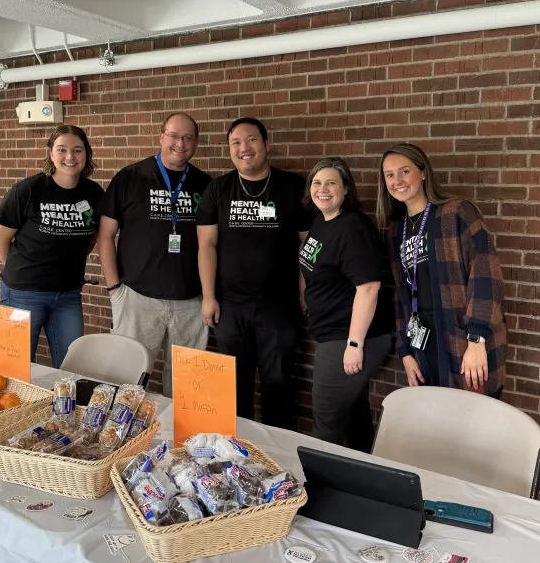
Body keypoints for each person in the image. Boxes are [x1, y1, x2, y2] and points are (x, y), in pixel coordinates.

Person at [197, 117, 312, 430]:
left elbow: (308, 245)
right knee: (234, 385)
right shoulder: (217, 189)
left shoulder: (292, 187)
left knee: (278, 382)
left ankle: (276, 456)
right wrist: (208, 296)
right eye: (236, 143)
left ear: (265, 144)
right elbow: (206, 245)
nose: (243, 148)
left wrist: (304, 292)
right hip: (230, 305)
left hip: (279, 304)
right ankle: (239, 456)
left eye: (251, 140)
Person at [376, 142, 507, 397]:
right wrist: (405, 352)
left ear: (423, 172)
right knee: (435, 420)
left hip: (462, 340)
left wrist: (477, 339)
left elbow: (485, 274)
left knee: (472, 421)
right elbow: (401, 296)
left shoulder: (456, 213)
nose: (397, 180)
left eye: (405, 171)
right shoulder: (396, 230)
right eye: (389, 175)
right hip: (423, 344)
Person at [96, 112, 212, 396]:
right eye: (173, 135)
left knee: (189, 388)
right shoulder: (130, 177)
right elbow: (106, 234)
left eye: (187, 138)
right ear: (161, 137)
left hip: (191, 302)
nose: (180, 143)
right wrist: (115, 289)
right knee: (128, 380)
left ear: (195, 143)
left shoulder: (206, 184)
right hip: (137, 297)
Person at [299, 157, 393, 451]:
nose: (322, 189)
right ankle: (360, 478)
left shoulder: (353, 227)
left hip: (346, 337)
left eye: (331, 183)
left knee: (326, 421)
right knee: (353, 414)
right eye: (316, 182)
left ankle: (316, 488)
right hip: (332, 331)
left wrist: (355, 344)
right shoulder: (321, 221)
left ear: (346, 188)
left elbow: (369, 288)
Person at [0, 125, 103, 368]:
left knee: (72, 369)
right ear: (51, 154)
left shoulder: (93, 193)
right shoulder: (29, 190)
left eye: (77, 150)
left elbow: (92, 236)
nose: (70, 157)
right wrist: (21, 272)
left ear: (87, 154)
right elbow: (0, 238)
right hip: (22, 292)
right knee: (11, 367)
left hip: (68, 295)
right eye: (61, 149)